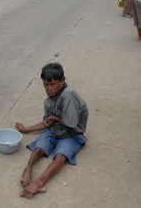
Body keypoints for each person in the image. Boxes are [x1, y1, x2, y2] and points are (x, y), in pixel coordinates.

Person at [15, 63, 88, 199]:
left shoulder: (69, 96)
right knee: (40, 146)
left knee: (61, 154)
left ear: (63, 80)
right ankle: (28, 168)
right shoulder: (48, 101)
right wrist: (26, 129)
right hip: (56, 129)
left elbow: (72, 124)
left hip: (72, 134)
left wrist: (56, 118)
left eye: (53, 84)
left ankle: (40, 182)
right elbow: (47, 123)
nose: (49, 88)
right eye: (45, 85)